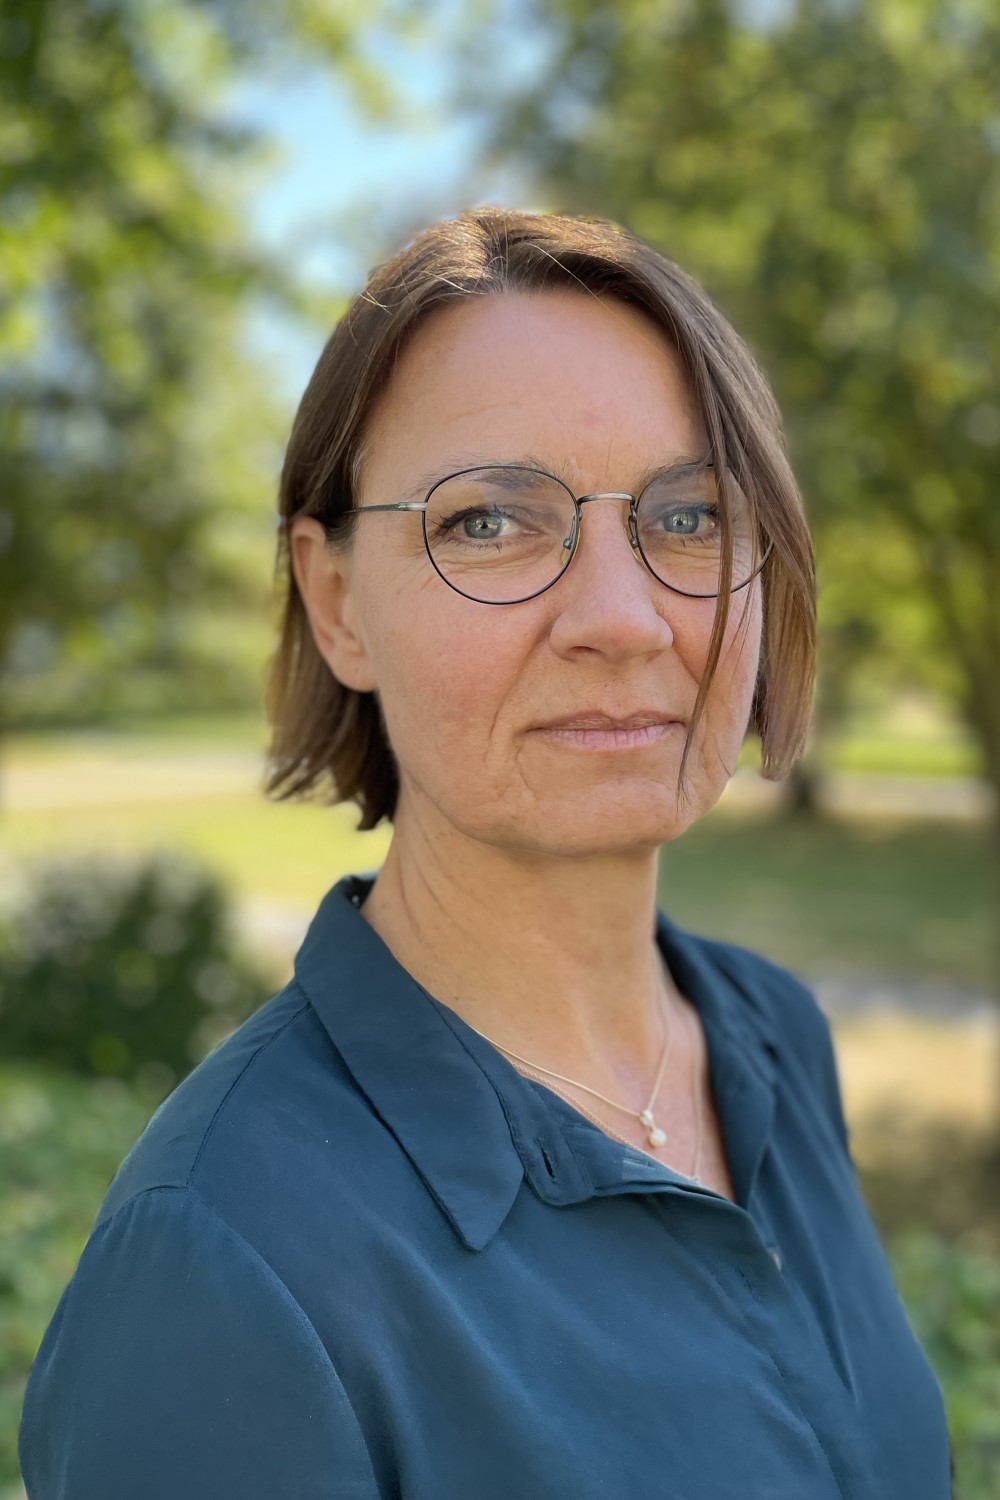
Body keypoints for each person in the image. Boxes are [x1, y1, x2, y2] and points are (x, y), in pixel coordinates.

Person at [18, 207, 953, 1499]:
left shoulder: (775, 1040)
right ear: (337, 600)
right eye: (488, 524)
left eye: (688, 519)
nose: (625, 619)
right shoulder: (225, 1265)